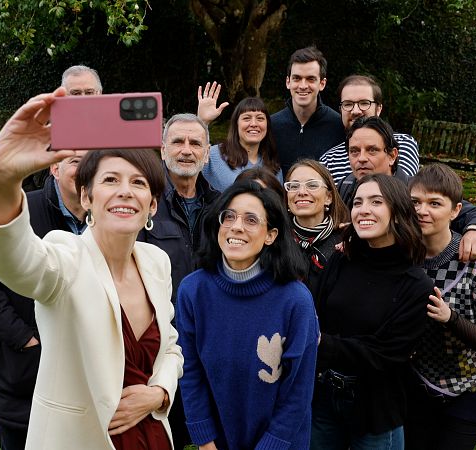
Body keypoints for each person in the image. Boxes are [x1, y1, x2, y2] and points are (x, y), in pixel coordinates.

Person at [0, 88, 183, 449]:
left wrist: (160, 392)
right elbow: (15, 261)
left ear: (152, 205)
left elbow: (171, 347)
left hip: (150, 435)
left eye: (138, 182)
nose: (125, 191)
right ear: (87, 198)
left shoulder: (156, 263)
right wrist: (3, 180)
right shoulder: (65, 256)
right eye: (110, 180)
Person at [0, 65, 100, 450]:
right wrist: (25, 339)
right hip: (26, 385)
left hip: (89, 388)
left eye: (93, 165)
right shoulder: (25, 211)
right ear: (54, 168)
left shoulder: (108, 222)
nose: (85, 173)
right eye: (75, 162)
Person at [176, 181, 319, 449]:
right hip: (217, 442)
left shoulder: (296, 300)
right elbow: (190, 371)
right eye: (228, 216)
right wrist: (204, 439)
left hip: (281, 442)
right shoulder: (193, 291)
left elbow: (298, 392)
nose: (236, 226)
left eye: (251, 220)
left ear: (271, 235)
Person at [311, 174, 434, 450]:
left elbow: (385, 354)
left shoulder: (416, 285)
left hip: (376, 406)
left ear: (398, 212)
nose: (363, 209)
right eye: (357, 202)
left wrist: (323, 343)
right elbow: (316, 316)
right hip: (323, 397)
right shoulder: (341, 260)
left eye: (376, 201)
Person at [406, 164, 476, 450]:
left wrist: (449, 317)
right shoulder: (402, 254)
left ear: (456, 211)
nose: (422, 210)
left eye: (434, 203)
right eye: (415, 202)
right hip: (423, 378)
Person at [136, 112, 220, 448]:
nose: (186, 150)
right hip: (157, 345)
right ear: (162, 148)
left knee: (209, 433)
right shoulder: (145, 204)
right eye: (178, 142)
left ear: (207, 152)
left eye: (195, 142)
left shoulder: (221, 205)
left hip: (210, 341)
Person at [338, 116, 476, 262]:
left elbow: (475, 213)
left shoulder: (415, 192)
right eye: (354, 151)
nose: (361, 158)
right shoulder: (345, 187)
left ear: (392, 156)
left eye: (372, 150)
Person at [319, 75, 420, 183]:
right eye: (348, 104)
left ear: (378, 109)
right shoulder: (329, 160)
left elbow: (404, 191)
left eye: (364, 103)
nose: (356, 111)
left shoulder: (402, 144)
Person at [270, 46, 345, 174]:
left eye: (310, 79)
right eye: (297, 78)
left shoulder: (339, 125)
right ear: (288, 82)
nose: (303, 86)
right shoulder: (271, 125)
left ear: (322, 83)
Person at [196, 84, 283, 191]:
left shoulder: (274, 167)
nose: (254, 124)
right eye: (246, 118)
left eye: (260, 118)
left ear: (267, 125)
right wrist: (202, 122)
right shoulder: (214, 155)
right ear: (236, 124)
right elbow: (190, 157)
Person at [284, 159, 350, 293]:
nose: (301, 192)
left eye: (312, 185)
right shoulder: (275, 240)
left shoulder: (345, 242)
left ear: (329, 197)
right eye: (294, 186)